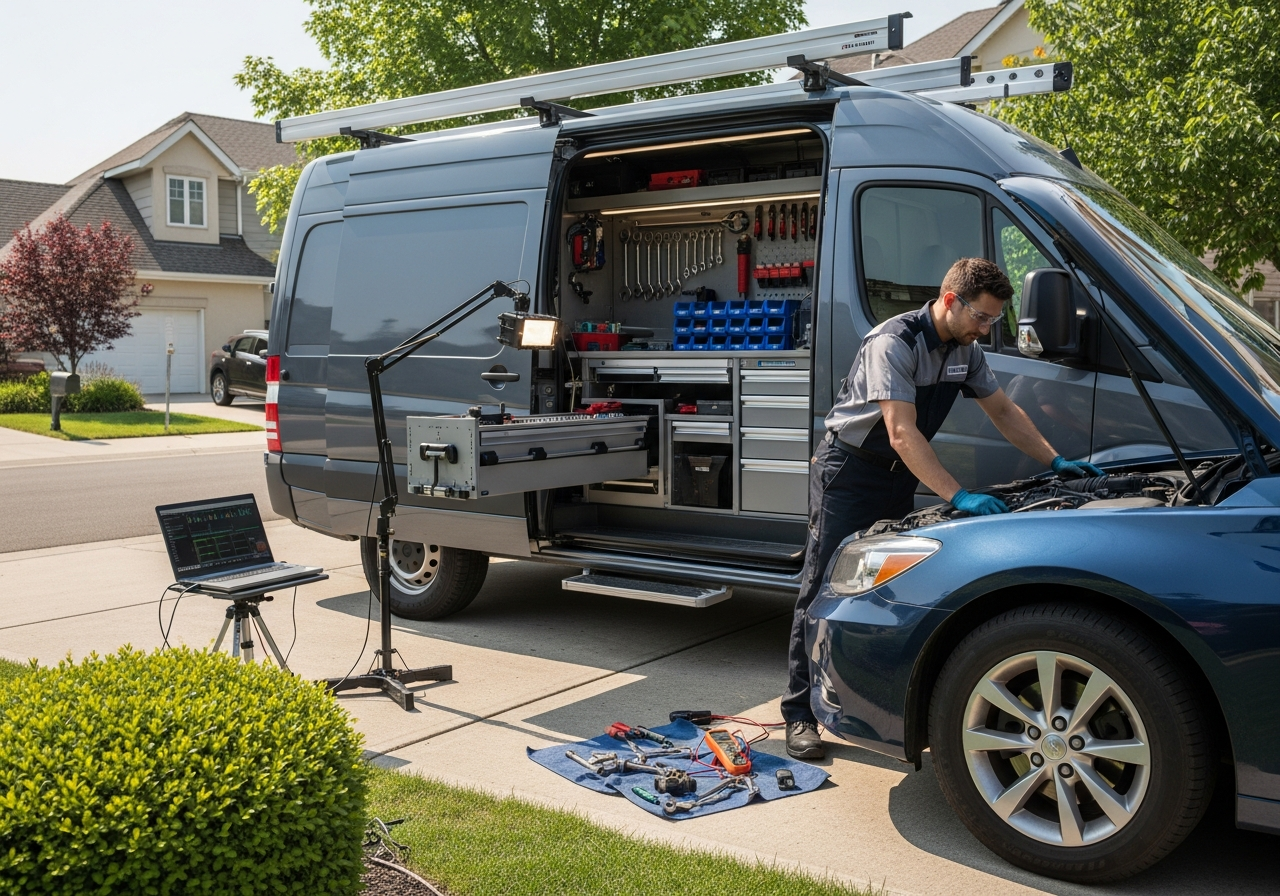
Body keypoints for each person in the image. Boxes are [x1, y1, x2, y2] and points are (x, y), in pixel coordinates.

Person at [783, 257, 1103, 759]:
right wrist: (959, 496)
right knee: (822, 585)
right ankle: (799, 714)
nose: (986, 328)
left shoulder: (964, 350)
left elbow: (1003, 410)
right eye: (981, 317)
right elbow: (900, 432)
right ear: (950, 300)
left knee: (881, 588)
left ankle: (863, 700)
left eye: (994, 320)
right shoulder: (894, 342)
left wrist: (1056, 459)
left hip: (895, 477)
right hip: (849, 472)